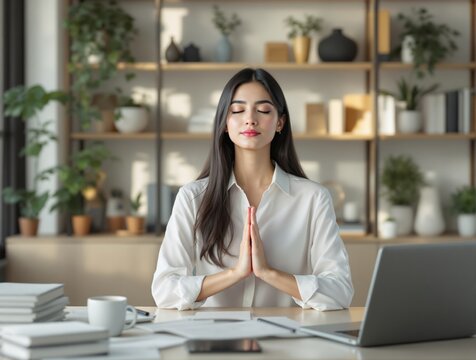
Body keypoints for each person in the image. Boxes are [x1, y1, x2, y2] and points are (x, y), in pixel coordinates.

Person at [151, 68, 353, 310]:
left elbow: (340, 291)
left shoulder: (313, 198)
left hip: (288, 339)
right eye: (237, 110)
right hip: (215, 339)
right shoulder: (193, 197)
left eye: (263, 110)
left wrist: (268, 272)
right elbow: (164, 291)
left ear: (280, 122)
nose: (250, 119)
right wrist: (235, 273)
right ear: (225, 123)